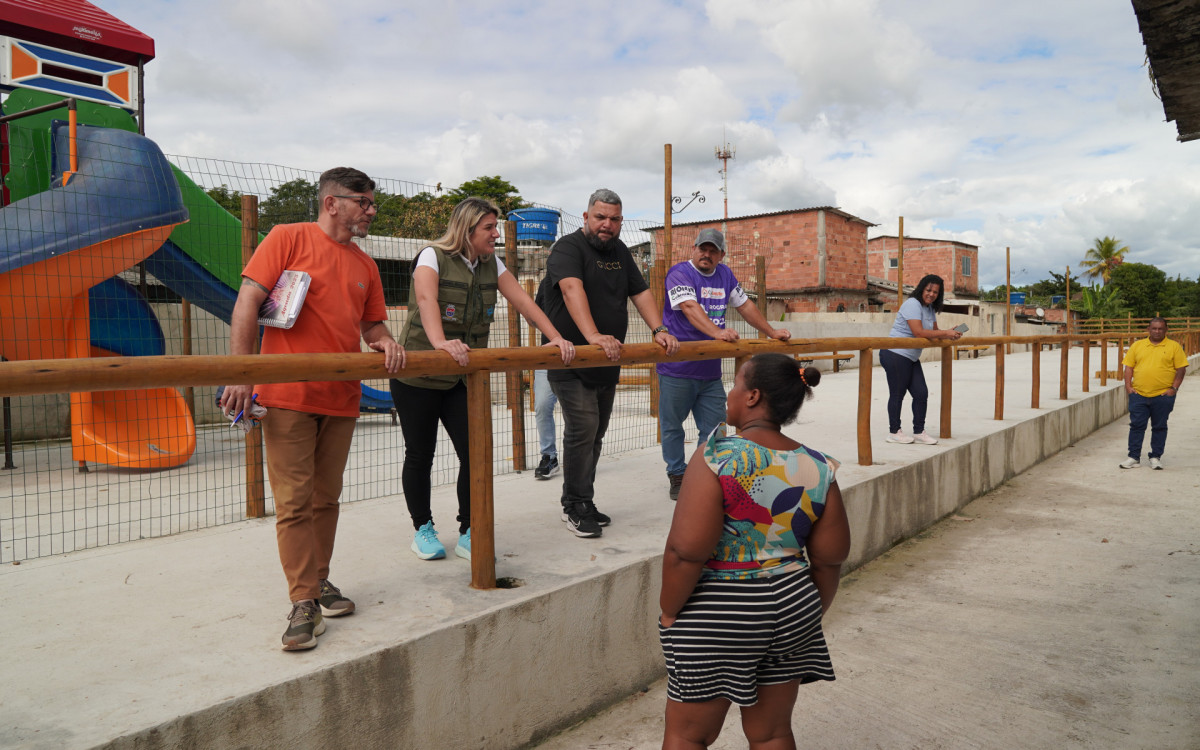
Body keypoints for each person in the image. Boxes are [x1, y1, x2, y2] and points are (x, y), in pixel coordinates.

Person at [221, 167, 406, 652]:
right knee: (294, 502)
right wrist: (242, 375)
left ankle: (319, 581)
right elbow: (247, 303)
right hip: (287, 397)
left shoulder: (365, 266)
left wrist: (386, 341)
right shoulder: (287, 238)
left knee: (326, 498)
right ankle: (303, 601)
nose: (371, 211)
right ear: (331, 203)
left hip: (341, 398)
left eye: (372, 202)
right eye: (363, 202)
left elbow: (372, 326)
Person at [659, 353, 850, 750]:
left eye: (735, 384)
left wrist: (670, 611)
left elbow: (685, 552)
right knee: (773, 733)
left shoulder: (718, 456)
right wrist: (810, 612)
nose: (729, 392)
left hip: (720, 612)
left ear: (752, 397)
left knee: (688, 735)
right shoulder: (818, 466)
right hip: (793, 606)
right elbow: (830, 559)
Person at [391, 197, 574, 561]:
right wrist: (440, 342)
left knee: (475, 453)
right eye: (489, 228)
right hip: (419, 377)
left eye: (495, 227)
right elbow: (426, 299)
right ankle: (423, 528)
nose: (495, 235)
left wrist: (554, 337)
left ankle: (469, 528)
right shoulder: (432, 256)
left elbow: (525, 303)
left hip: (462, 379)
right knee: (420, 454)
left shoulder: (491, 264)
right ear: (468, 229)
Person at [538, 188, 680, 538]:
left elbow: (640, 291)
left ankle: (583, 500)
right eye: (600, 217)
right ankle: (574, 506)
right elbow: (571, 289)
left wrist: (659, 329)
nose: (607, 224)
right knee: (583, 428)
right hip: (571, 358)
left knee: (596, 433)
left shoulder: (619, 251)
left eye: (614, 219)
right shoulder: (568, 248)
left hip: (606, 359)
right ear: (586, 216)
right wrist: (593, 335)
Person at [657, 227, 791, 501]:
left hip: (710, 372)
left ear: (721, 255)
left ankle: (703, 472)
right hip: (677, 370)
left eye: (713, 251)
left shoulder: (725, 275)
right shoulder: (679, 273)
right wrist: (717, 332)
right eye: (702, 249)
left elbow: (746, 306)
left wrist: (771, 331)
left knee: (715, 428)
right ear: (693, 249)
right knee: (672, 426)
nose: (706, 254)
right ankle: (677, 474)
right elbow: (690, 307)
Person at [880, 273, 961, 445]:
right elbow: (918, 332)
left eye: (935, 292)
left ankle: (918, 432)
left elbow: (934, 333)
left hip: (911, 357)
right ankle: (894, 432)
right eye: (928, 290)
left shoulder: (929, 309)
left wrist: (950, 333)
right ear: (921, 289)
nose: (931, 294)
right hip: (895, 353)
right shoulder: (912, 304)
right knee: (897, 394)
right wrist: (945, 333)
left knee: (921, 393)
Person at [1119, 317, 1186, 470]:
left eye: (1160, 328)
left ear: (1166, 330)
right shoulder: (1137, 345)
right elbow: (1129, 367)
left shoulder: (1174, 347)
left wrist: (1174, 389)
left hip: (1163, 396)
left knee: (1159, 426)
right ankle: (1133, 457)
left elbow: (1181, 369)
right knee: (1136, 426)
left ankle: (1155, 457)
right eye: (1154, 328)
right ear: (1148, 329)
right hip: (1139, 394)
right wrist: (1128, 387)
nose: (1157, 331)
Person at [532, 368, 559, 479]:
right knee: (542, 406)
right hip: (546, 365)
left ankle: (581, 456)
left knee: (578, 411)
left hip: (575, 364)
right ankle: (549, 456)